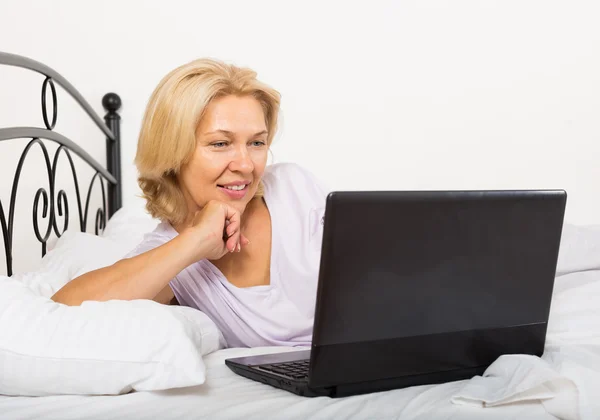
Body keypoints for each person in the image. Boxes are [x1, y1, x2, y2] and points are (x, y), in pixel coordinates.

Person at [51, 58, 328, 348]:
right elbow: (63, 312)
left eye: (257, 143)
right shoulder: (169, 255)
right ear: (172, 153)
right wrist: (195, 241)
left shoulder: (293, 187)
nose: (246, 165)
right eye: (220, 144)